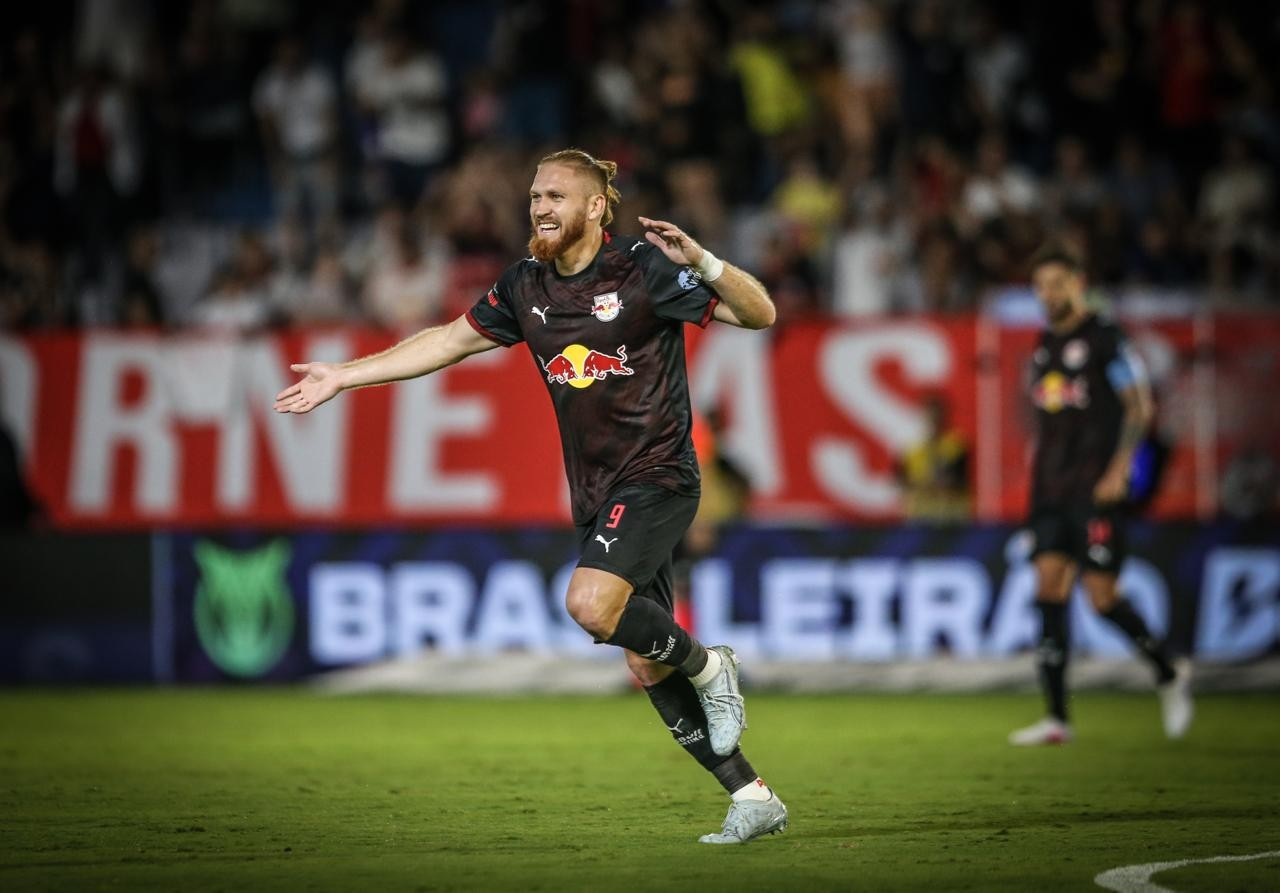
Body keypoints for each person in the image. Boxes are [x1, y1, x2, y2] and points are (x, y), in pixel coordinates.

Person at [275, 149, 788, 844]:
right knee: (642, 656)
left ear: (596, 206)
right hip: (597, 492)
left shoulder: (642, 269)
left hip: (660, 475)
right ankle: (752, 794)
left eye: (554, 195)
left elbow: (759, 315)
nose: (540, 208)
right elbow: (447, 341)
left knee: (589, 603)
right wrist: (346, 374)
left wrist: (707, 263)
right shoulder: (526, 285)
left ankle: (710, 664)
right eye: (534, 197)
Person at [1009, 244, 1193, 746]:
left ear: (1078, 282)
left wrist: (1120, 468)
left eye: (1057, 284)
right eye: (1040, 286)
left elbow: (1139, 406)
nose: (1048, 294)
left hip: (1094, 487)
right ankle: (1057, 718)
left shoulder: (1107, 338)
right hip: (1049, 488)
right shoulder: (1044, 343)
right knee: (1048, 589)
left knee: (1102, 598)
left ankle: (1168, 671)